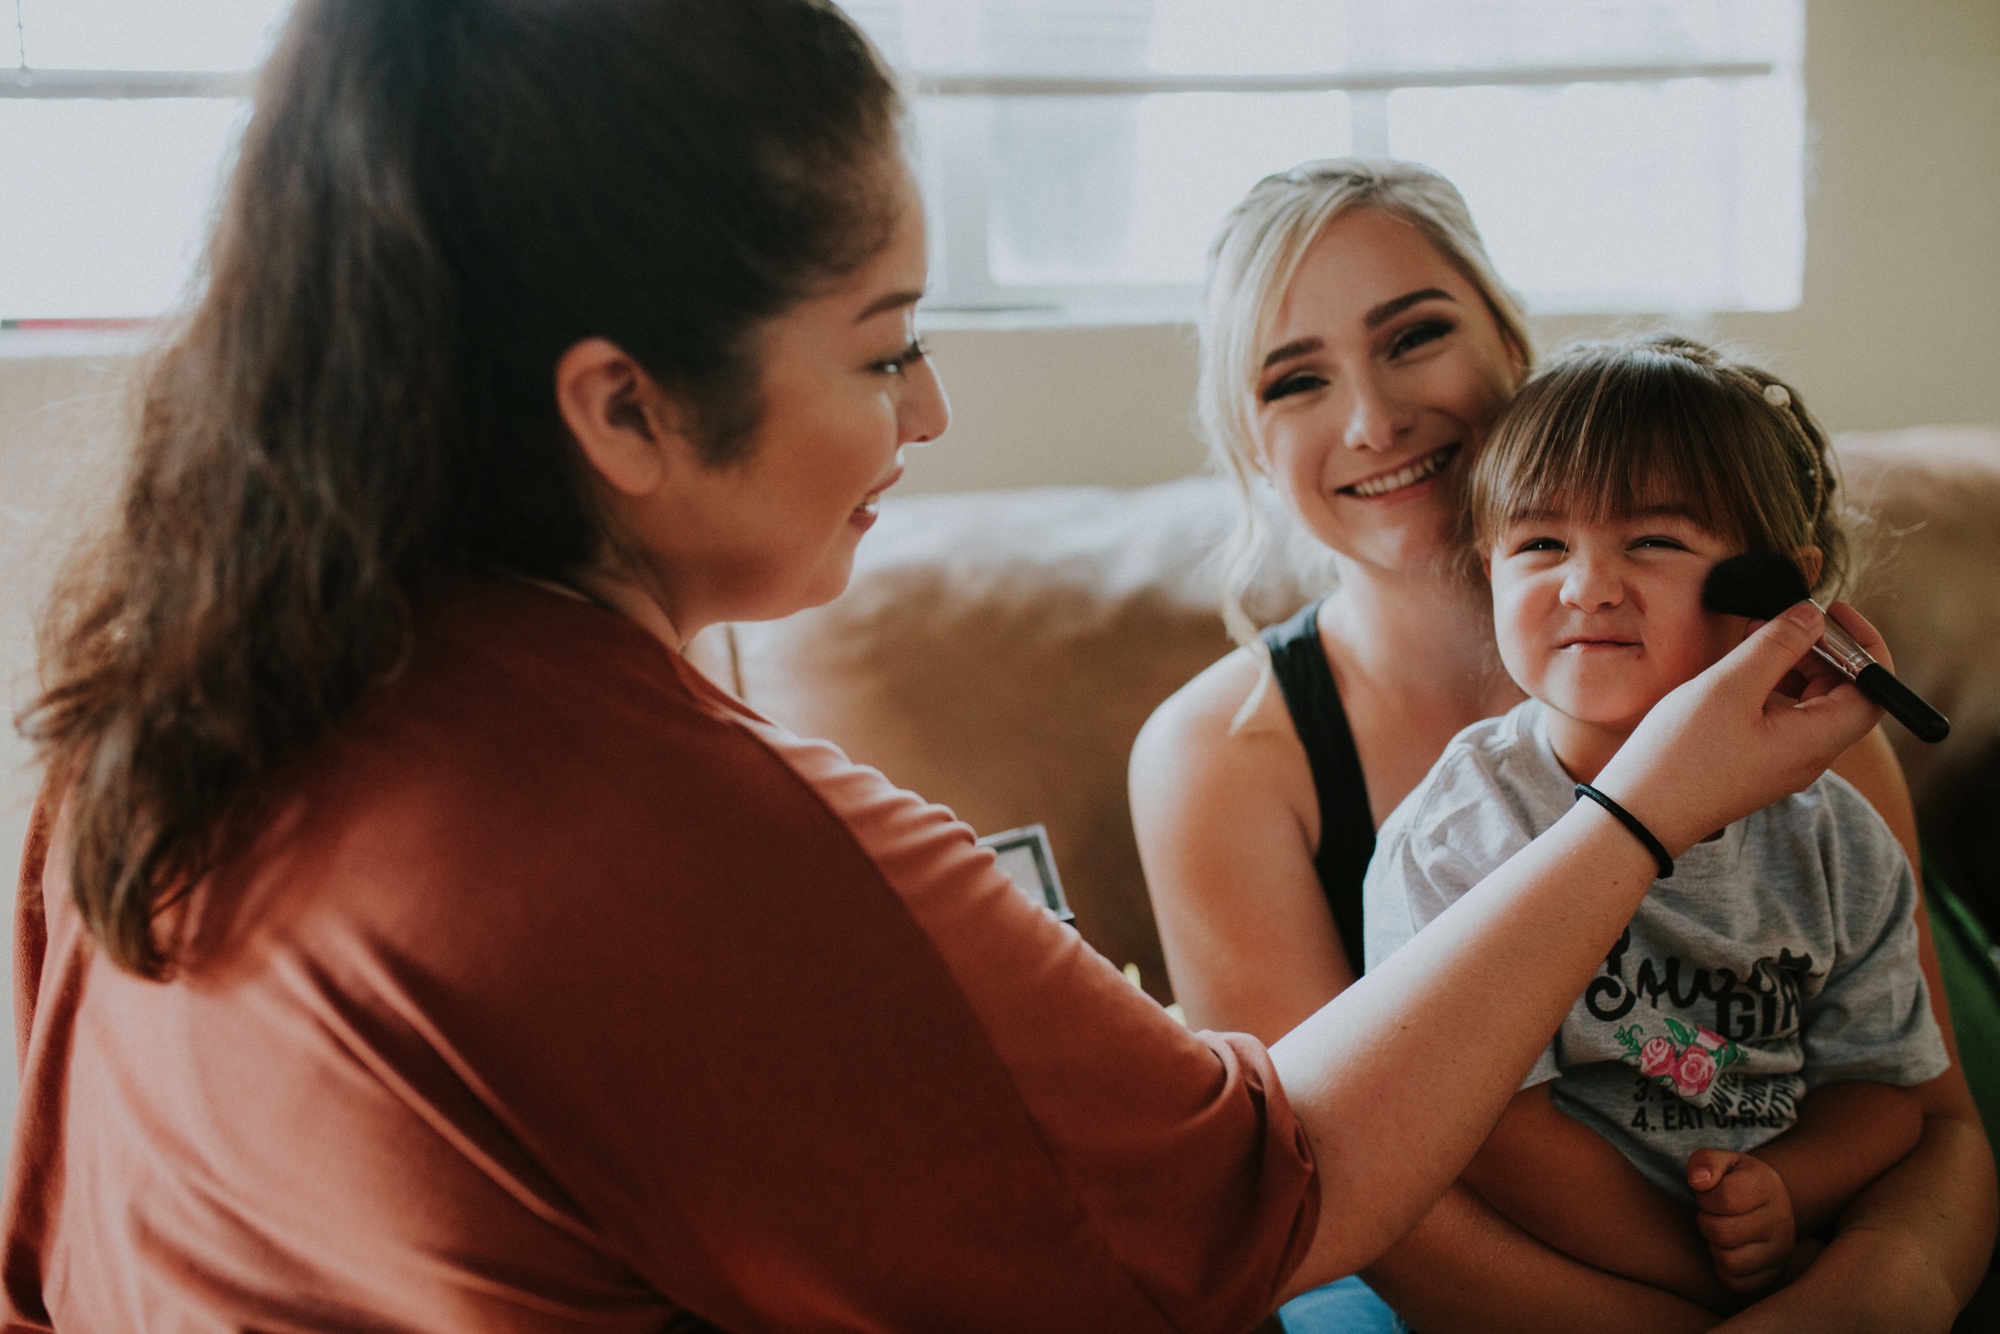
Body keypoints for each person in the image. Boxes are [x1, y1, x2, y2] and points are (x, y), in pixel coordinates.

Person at [3, 8, 1891, 1329]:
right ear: (627, 409)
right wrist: (1643, 810)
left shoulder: (158, 717)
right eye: (881, 345)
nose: (931, 405)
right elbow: (1260, 1199)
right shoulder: (697, 840)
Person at [1130, 159, 1997, 1332]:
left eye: (1413, 335)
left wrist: (1884, 1280)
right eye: (1294, 380)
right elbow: (1323, 1183)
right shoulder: (1218, 757)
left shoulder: (1782, 699)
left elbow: (1923, 1116)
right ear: (1247, 438)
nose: (1373, 419)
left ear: (1506, 336)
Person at [1366, 335, 1949, 1314]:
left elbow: (1885, 1094)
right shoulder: (1454, 837)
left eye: (1652, 541)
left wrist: (1787, 1193)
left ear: (1777, 592)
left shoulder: (1833, 840)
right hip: (1575, 1274)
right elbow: (1492, 1132)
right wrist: (1705, 1266)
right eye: (1539, 544)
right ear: (1486, 567)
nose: (1585, 585)